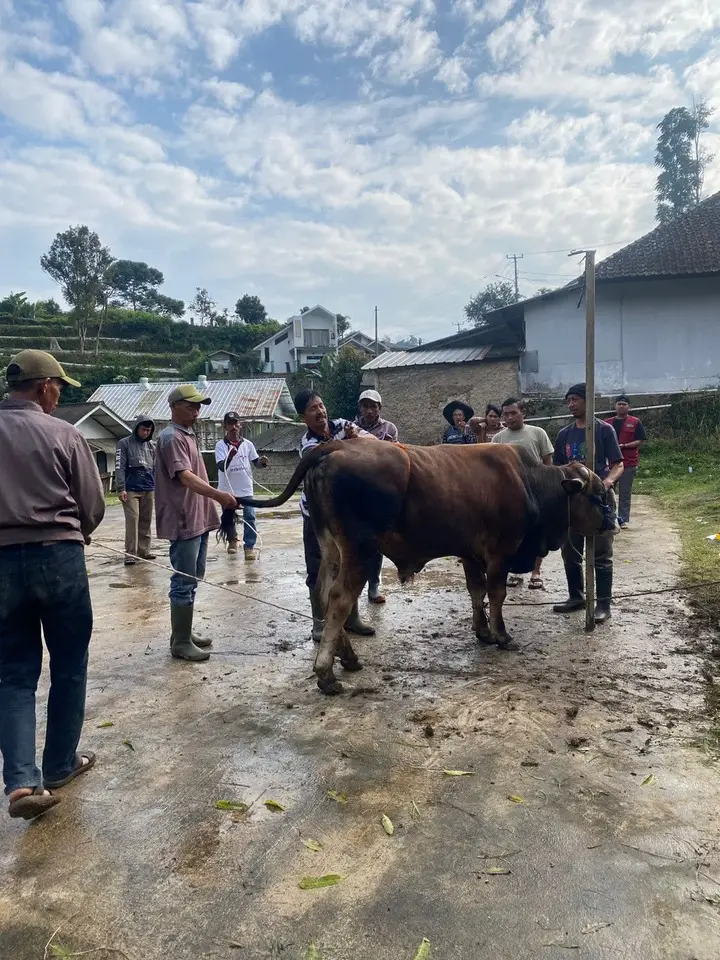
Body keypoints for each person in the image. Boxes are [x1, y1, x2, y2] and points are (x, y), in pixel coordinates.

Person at [0, 350, 105, 819]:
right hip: (59, 558)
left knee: (13, 673)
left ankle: (21, 783)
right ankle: (60, 764)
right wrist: (76, 531)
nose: (60, 394)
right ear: (44, 387)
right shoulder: (63, 433)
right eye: (59, 386)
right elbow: (93, 505)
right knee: (68, 663)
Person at [155, 385, 237, 663]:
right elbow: (186, 477)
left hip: (197, 516)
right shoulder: (170, 438)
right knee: (184, 578)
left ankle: (184, 632)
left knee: (194, 575)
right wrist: (219, 496)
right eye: (191, 405)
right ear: (174, 406)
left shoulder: (187, 435)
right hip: (183, 518)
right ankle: (180, 641)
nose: (196, 410)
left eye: (198, 406)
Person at [296, 389, 376, 640]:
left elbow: (371, 442)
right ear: (303, 418)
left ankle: (351, 617)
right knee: (318, 568)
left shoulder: (341, 424)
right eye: (312, 409)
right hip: (317, 516)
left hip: (347, 514)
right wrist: (351, 445)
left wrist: (352, 444)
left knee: (350, 566)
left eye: (320, 405)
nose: (320, 412)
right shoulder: (307, 444)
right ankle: (319, 622)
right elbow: (332, 462)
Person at [552, 383, 623, 623]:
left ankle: (603, 604)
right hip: (574, 500)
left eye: (575, 399)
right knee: (570, 550)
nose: (571, 404)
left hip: (599, 498)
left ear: (587, 400)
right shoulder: (564, 435)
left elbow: (618, 463)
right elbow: (559, 469)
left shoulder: (604, 430)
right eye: (568, 400)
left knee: (602, 552)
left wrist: (607, 482)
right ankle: (576, 596)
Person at [492, 397, 554, 589]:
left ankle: (536, 573)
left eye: (513, 413)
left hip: (535, 491)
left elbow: (548, 463)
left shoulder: (538, 433)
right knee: (512, 534)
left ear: (523, 413)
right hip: (510, 495)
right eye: (506, 414)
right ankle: (515, 572)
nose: (509, 418)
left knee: (536, 533)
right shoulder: (498, 439)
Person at [354, 389, 398, 603]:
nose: (369, 410)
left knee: (376, 541)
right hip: (355, 488)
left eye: (373, 406)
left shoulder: (389, 428)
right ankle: (353, 587)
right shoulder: (351, 428)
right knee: (352, 540)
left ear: (380, 408)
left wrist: (391, 446)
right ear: (360, 408)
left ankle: (374, 586)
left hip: (379, 489)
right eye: (365, 406)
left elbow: (399, 458)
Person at [215, 412, 269, 559]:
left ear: (240, 425)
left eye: (235, 423)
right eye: (230, 424)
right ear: (225, 426)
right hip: (227, 489)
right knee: (229, 517)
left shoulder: (248, 444)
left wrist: (262, 462)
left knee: (250, 517)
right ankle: (232, 541)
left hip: (245, 488)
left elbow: (256, 463)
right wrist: (231, 456)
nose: (233, 426)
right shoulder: (220, 446)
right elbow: (221, 466)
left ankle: (249, 547)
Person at [115, 418, 156, 566]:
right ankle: (130, 553)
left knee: (146, 519)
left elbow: (156, 467)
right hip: (130, 488)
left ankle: (144, 550)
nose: (146, 433)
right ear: (137, 428)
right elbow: (119, 466)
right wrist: (121, 488)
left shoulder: (152, 446)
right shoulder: (124, 443)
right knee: (133, 519)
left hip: (148, 487)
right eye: (143, 429)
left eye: (148, 430)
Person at [605, 395, 646, 527]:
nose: (621, 406)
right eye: (619, 404)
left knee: (625, 492)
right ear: (615, 406)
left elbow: (640, 440)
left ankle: (622, 520)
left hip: (628, 463)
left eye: (624, 404)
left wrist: (624, 446)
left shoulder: (635, 422)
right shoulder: (606, 423)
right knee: (607, 491)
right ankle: (609, 518)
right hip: (610, 464)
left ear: (629, 407)